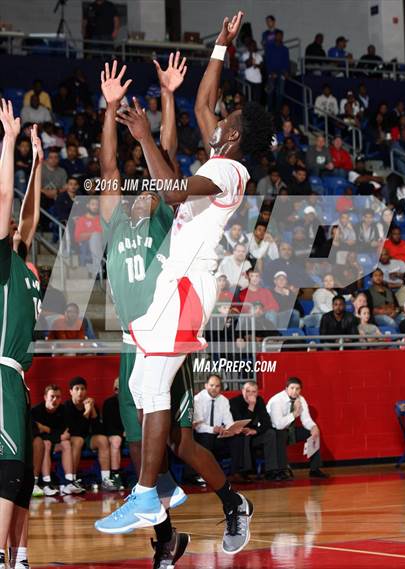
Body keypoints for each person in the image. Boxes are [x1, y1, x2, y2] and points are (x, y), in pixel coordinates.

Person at [94, 55, 253, 558]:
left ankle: (162, 499)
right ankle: (160, 514)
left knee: (171, 427)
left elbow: (166, 159)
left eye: (227, 120)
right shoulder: (118, 217)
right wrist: (219, 52)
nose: (218, 118)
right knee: (145, 394)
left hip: (183, 296)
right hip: (152, 317)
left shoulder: (219, 174)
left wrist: (154, 114)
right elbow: (203, 106)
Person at [0, 101, 42, 569]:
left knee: (23, 476)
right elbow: (9, 203)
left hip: (18, 379)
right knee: (9, 472)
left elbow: (28, 214)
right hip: (2, 373)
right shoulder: (2, 262)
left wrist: (37, 161)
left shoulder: (25, 261)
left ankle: (21, 555)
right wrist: (9, 142)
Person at [267, 377, 328, 479]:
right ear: (286, 388)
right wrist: (294, 414)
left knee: (312, 434)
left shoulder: (301, 399)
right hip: (274, 432)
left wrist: (313, 427)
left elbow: (306, 419)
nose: (295, 391)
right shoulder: (276, 401)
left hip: (289, 430)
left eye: (297, 389)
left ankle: (314, 469)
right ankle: (282, 470)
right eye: (292, 388)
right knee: (281, 433)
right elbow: (278, 424)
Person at [64, 377, 118, 491]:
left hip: (88, 439)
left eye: (83, 389)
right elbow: (76, 431)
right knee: (78, 440)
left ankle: (106, 480)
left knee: (103, 439)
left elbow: (98, 430)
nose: (80, 392)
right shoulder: (67, 406)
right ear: (71, 391)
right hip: (73, 440)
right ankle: (71, 481)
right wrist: (86, 412)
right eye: (77, 389)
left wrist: (92, 410)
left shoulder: (90, 405)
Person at [31, 385, 84, 497]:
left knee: (66, 443)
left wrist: (47, 429)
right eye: (52, 396)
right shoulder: (36, 411)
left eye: (58, 397)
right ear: (45, 397)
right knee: (46, 443)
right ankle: (46, 483)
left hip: (55, 442)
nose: (55, 400)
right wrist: (55, 434)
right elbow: (37, 433)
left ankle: (69, 482)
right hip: (42, 445)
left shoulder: (63, 410)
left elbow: (66, 432)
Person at [192, 375, 245, 483]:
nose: (214, 388)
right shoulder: (198, 399)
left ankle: (234, 473)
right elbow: (198, 426)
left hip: (218, 435)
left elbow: (228, 421)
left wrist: (232, 429)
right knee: (207, 437)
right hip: (202, 435)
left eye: (217, 386)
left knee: (238, 438)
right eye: (211, 385)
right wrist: (213, 429)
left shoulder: (224, 400)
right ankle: (204, 475)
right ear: (206, 385)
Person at [230, 381, 282, 481]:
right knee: (243, 434)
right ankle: (243, 471)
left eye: (253, 392)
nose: (250, 394)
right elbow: (241, 422)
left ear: (257, 393)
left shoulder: (260, 401)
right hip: (239, 434)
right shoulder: (234, 402)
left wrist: (256, 431)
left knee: (270, 433)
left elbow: (267, 422)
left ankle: (271, 471)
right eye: (248, 391)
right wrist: (251, 406)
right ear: (242, 391)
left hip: (253, 434)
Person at [102, 379, 125, 490]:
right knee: (117, 440)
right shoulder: (109, 403)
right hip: (113, 434)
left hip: (128, 434)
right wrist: (122, 433)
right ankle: (116, 475)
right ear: (116, 390)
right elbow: (109, 426)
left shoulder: (132, 403)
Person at [73, 196, 103, 275]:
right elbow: (78, 237)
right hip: (86, 246)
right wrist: (93, 234)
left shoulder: (102, 219)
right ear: (88, 205)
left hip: (102, 244)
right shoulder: (82, 220)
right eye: (93, 204)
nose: (95, 207)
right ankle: (98, 269)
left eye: (97, 204)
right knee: (95, 236)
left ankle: (98, 269)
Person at [265, 30, 290, 114]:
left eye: (281, 36)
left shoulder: (285, 49)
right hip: (271, 73)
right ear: (275, 36)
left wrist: (286, 71)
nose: (279, 37)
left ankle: (278, 111)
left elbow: (286, 62)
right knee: (270, 92)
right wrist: (270, 72)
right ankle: (269, 110)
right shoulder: (269, 47)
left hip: (281, 73)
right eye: (278, 35)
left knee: (280, 93)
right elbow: (267, 60)